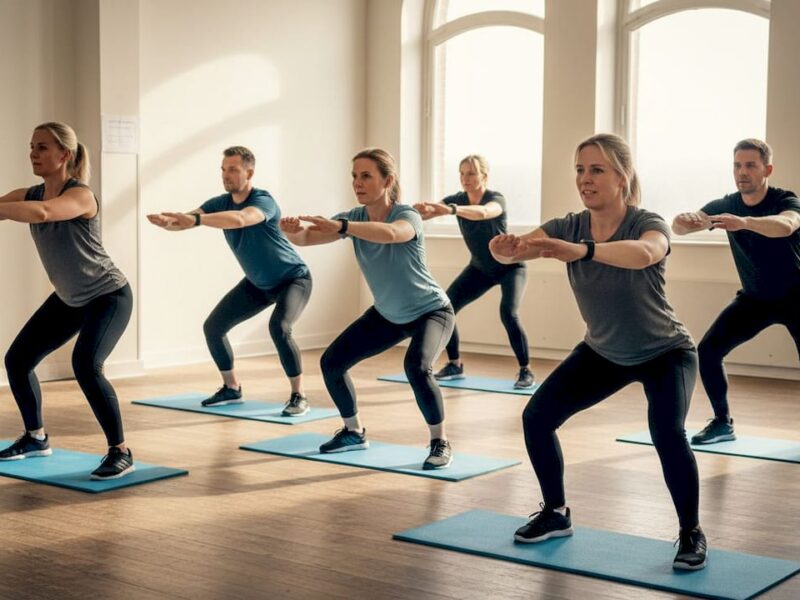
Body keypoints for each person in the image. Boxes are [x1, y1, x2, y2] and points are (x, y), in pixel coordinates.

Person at [490, 133, 706, 570]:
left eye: (596, 170)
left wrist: (582, 250)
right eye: (579, 170)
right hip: (603, 351)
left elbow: (645, 253)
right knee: (537, 418)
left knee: (668, 434)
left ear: (622, 177)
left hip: (666, 352)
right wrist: (505, 251)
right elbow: (523, 248)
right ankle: (556, 513)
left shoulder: (647, 222)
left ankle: (691, 532)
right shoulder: (567, 225)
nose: (584, 179)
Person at [280, 148, 456, 469]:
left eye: (365, 176)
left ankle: (439, 442)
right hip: (388, 314)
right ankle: (353, 432)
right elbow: (307, 238)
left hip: (432, 311)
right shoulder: (354, 217)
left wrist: (342, 226)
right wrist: (291, 232)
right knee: (332, 362)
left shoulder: (407, 215)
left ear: (387, 181)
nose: (357, 183)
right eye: (354, 177)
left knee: (417, 367)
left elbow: (392, 234)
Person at [0, 122, 134, 480]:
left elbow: (44, 212)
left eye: (42, 147)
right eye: (32, 146)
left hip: (108, 295)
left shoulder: (81, 195)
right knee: (18, 360)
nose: (33, 153)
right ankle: (35, 438)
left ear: (65, 154)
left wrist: (8, 208)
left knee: (86, 364)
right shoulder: (30, 193)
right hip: (69, 298)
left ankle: (121, 451)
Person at [147, 146, 312, 416]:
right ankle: (231, 388)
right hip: (258, 284)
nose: (226, 175)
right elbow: (187, 221)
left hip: (293, 279)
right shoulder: (219, 203)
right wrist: (169, 223)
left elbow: (241, 219)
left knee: (279, 327)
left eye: (233, 169)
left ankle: (299, 395)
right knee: (213, 327)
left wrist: (195, 219)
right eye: (223, 169)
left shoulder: (264, 201)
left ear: (249, 173)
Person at [672, 138, 800, 444]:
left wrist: (743, 222)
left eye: (750, 165)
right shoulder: (726, 205)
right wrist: (682, 222)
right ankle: (722, 423)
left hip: (796, 297)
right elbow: (682, 227)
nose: (742, 172)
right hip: (755, 299)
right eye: (737, 165)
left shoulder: (785, 200)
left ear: (767, 169)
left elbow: (786, 226)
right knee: (708, 351)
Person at [414, 155, 533, 388]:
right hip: (480, 269)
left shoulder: (495, 199)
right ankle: (455, 364)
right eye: (461, 173)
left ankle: (525, 370)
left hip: (510, 267)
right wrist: (418, 211)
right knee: (445, 308)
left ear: (484, 176)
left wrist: (451, 210)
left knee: (508, 313)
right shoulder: (456, 200)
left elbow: (484, 212)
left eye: (471, 173)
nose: (465, 178)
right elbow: (430, 212)